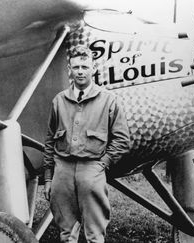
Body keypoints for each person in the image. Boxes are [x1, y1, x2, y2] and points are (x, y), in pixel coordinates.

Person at [43, 45, 131, 243]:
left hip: (92, 168)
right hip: (62, 171)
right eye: (76, 67)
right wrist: (49, 178)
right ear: (70, 71)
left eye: (85, 66)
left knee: (95, 234)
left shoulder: (109, 100)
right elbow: (50, 140)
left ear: (94, 69)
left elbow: (122, 140)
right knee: (66, 233)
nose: (80, 71)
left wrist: (103, 163)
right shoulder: (59, 101)